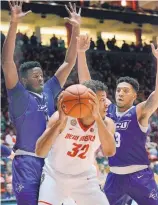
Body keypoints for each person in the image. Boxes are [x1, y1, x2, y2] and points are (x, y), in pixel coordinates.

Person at [2, 1, 81, 204]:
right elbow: (7, 62)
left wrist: (76, 28)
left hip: (53, 162)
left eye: (41, 75)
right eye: (36, 76)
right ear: (25, 80)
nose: (41, 78)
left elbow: (69, 62)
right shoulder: (19, 95)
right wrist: (13, 23)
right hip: (27, 162)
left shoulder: (49, 90)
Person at [76, 35, 158, 205]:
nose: (120, 93)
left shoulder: (139, 112)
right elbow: (88, 87)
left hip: (139, 176)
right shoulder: (108, 110)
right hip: (114, 177)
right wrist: (80, 53)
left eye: (125, 91)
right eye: (118, 90)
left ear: (134, 96)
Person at [36, 80, 116, 205]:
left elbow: (109, 152)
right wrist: (59, 123)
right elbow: (40, 152)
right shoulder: (61, 117)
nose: (107, 104)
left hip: (85, 178)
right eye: (102, 100)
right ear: (89, 102)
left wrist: (98, 119)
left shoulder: (107, 123)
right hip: (54, 176)